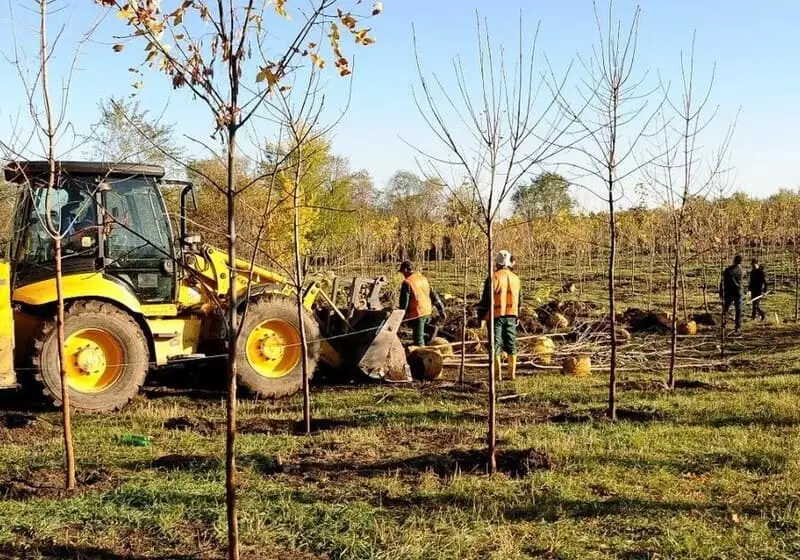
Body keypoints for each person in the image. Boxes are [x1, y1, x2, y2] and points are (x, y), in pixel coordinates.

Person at [477, 250, 522, 381]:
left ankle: (497, 375)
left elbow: (486, 300)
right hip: (511, 315)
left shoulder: (493, 278)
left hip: (495, 316)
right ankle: (511, 374)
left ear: (497, 263)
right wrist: (517, 315)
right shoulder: (516, 278)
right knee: (511, 343)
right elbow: (520, 300)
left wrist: (481, 317)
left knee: (495, 344)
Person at [398, 261, 446, 346]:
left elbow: (404, 303)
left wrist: (401, 316)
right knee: (421, 327)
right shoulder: (423, 279)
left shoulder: (407, 282)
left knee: (418, 338)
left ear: (405, 270)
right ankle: (432, 329)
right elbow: (434, 295)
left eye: (402, 272)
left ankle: (421, 354)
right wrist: (441, 308)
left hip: (417, 312)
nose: (402, 274)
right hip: (427, 310)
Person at [720, 255, 744, 334]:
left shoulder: (727, 270)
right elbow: (739, 283)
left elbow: (722, 282)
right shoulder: (741, 271)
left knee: (725, 309)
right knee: (738, 310)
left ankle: (724, 325)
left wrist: (721, 292)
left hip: (728, 292)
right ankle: (738, 327)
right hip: (737, 292)